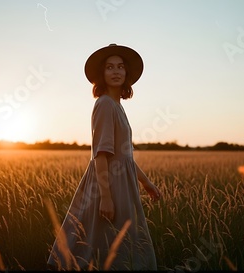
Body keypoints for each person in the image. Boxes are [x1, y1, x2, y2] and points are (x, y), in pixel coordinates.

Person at [47, 43, 162, 270]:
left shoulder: (117, 106)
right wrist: (106, 197)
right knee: (103, 243)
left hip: (122, 183)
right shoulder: (105, 104)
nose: (116, 71)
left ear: (127, 73)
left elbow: (126, 157)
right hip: (109, 184)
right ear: (102, 74)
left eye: (120, 67)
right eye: (110, 67)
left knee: (113, 243)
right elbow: (100, 154)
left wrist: (146, 183)